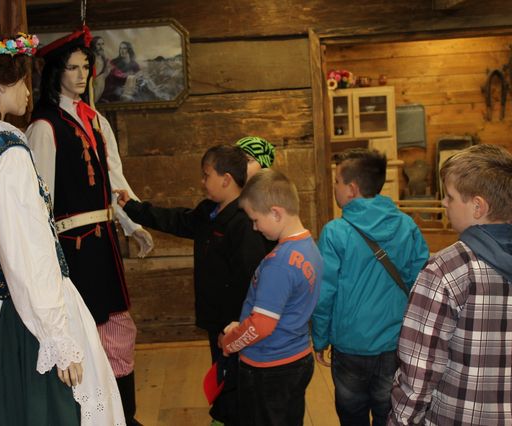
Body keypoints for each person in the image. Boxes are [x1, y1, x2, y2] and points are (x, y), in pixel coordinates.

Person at [0, 33, 124, 425]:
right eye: (21, 81)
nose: (28, 91)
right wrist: (58, 338)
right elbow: (29, 252)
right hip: (27, 322)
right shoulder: (8, 151)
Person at [25, 27, 152, 426]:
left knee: (118, 328)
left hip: (104, 244)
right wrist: (46, 260)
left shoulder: (95, 120)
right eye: (73, 68)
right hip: (73, 249)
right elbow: (39, 200)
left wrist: (132, 224)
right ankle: (90, 415)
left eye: (86, 67)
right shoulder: (44, 127)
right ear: (55, 73)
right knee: (85, 335)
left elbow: (115, 179)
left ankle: (123, 415)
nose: (82, 76)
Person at [116, 145, 273, 425]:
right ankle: (224, 415)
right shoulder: (209, 211)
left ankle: (228, 417)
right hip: (215, 319)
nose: (202, 181)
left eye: (206, 175)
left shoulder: (244, 222)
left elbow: (251, 282)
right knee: (222, 373)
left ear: (226, 179)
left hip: (236, 324)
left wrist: (238, 327)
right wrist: (133, 208)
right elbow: (176, 220)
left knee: (239, 381)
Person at [389, 144, 512, 425]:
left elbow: (419, 373)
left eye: (450, 196)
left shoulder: (445, 270)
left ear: (478, 206)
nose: (444, 203)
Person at [311, 148, 429, 426]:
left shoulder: (335, 232)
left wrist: (320, 338)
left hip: (350, 345)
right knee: (389, 412)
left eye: (337, 182)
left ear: (352, 189)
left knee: (352, 413)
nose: (335, 188)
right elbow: (421, 284)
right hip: (394, 342)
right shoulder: (407, 226)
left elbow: (324, 293)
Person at [218, 169, 322, 426]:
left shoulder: (279, 263)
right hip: (297, 357)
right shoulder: (309, 247)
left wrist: (230, 341)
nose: (254, 227)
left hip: (269, 367)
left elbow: (262, 325)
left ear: (276, 213)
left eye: (255, 220)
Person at [90, 35, 110, 103]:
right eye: (98, 44)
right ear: (93, 45)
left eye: (102, 44)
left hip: (101, 85)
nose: (101, 47)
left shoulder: (102, 57)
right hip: (93, 86)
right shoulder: (91, 57)